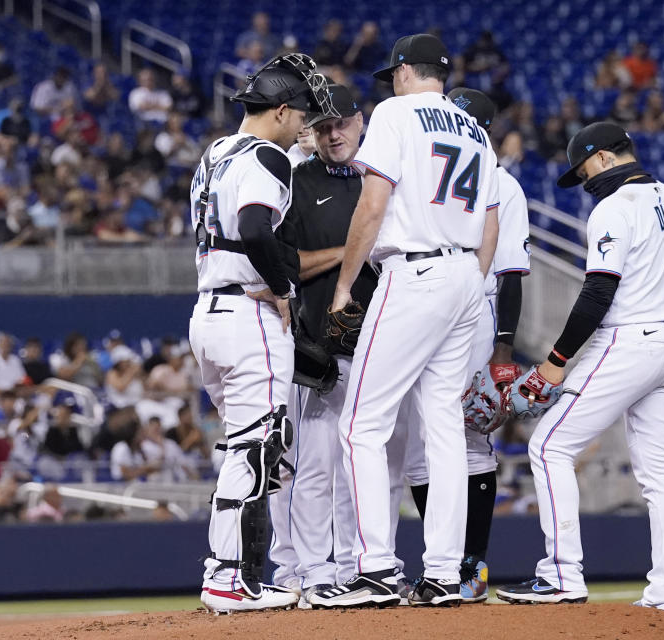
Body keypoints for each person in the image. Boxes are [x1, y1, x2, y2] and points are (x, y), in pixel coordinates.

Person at [495, 122, 664, 613]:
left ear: (606, 158)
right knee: (659, 473)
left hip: (631, 340)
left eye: (584, 169)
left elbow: (597, 293)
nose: (584, 180)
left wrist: (555, 362)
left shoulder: (614, 208)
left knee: (548, 446)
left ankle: (562, 576)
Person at [308, 33, 500, 609]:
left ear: (403, 73)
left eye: (392, 73)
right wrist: (468, 286)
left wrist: (344, 285)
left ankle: (376, 569)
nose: (390, 82)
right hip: (467, 272)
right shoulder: (477, 130)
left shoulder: (395, 112)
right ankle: (444, 572)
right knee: (443, 430)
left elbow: (374, 203)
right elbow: (489, 222)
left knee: (362, 424)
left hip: (414, 272)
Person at [188, 53, 332, 613]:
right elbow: (253, 227)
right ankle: (227, 578)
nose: (305, 125)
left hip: (208, 312)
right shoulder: (267, 155)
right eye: (300, 114)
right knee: (255, 450)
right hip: (247, 315)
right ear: (279, 110)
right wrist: (284, 287)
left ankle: (236, 574)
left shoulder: (214, 153)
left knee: (247, 450)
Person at [399, 88, 530, 604]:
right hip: (429, 302)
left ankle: (469, 565)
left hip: (476, 311)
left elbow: (513, 272)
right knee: (417, 446)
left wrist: (503, 350)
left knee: (467, 438)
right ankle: (444, 563)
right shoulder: (428, 170)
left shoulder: (502, 182)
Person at [265, 82, 372, 605]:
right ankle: (311, 570)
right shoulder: (297, 181)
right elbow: (287, 264)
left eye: (342, 123)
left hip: (381, 344)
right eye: (323, 125)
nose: (334, 134)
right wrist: (353, 251)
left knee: (363, 468)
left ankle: (357, 565)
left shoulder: (381, 177)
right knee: (313, 465)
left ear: (360, 122)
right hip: (322, 346)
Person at [0, 334, 28, 398]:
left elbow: (23, 378)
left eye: (7, 343)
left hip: (14, 394)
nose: (5, 345)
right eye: (2, 343)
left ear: (11, 346)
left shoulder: (15, 360)